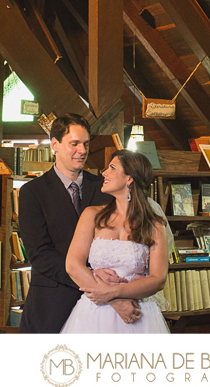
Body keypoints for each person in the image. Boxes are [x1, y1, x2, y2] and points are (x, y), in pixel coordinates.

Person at [18, 114, 141, 333]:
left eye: (85, 144)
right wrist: (93, 281)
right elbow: (40, 255)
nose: (82, 151)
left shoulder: (106, 188)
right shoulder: (32, 192)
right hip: (52, 305)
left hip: (105, 312)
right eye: (74, 144)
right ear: (54, 144)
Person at [60, 149, 170, 334]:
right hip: (95, 314)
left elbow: (158, 279)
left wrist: (115, 292)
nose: (104, 173)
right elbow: (73, 265)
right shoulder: (92, 215)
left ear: (129, 178)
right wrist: (113, 301)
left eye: (112, 168)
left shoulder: (154, 225)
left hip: (138, 314)